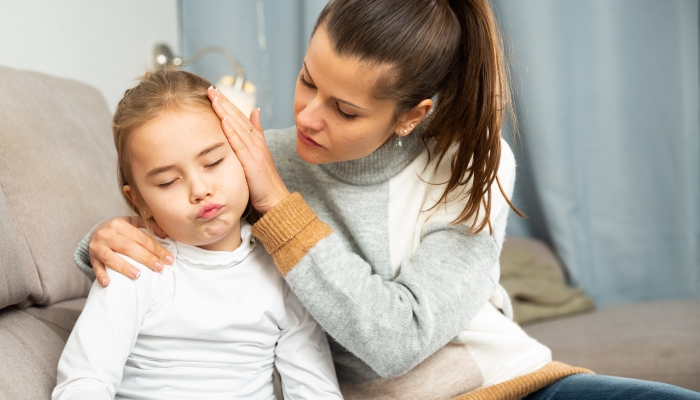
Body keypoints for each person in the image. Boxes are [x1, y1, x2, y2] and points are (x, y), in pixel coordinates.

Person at [74, 0, 700, 398]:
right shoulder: (252, 157)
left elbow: (397, 341)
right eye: (306, 80)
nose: (308, 119)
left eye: (344, 109)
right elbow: (184, 218)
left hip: (501, 379)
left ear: (411, 115)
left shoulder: (471, 166)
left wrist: (276, 199)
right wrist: (100, 241)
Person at [54, 70, 342, 400]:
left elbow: (315, 388)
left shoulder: (284, 271)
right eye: (167, 182)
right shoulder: (137, 267)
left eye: (214, 162)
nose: (200, 190)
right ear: (139, 201)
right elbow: (84, 381)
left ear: (246, 157)